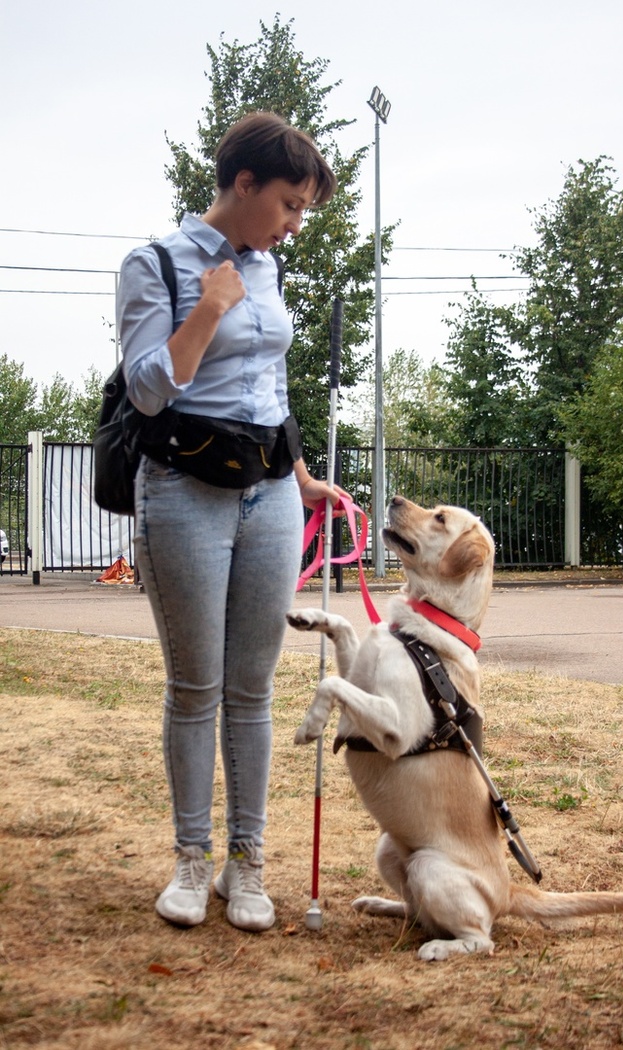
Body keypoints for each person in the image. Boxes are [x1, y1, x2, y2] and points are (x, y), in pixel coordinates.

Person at [116, 112, 344, 932]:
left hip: (270, 490)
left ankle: (244, 865)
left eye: (302, 210)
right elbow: (147, 389)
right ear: (243, 183)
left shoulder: (268, 267)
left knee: (253, 690)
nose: (293, 225)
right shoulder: (155, 263)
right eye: (288, 204)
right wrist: (208, 310)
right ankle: (190, 858)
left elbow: (267, 387)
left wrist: (304, 480)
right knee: (196, 689)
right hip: (182, 490)